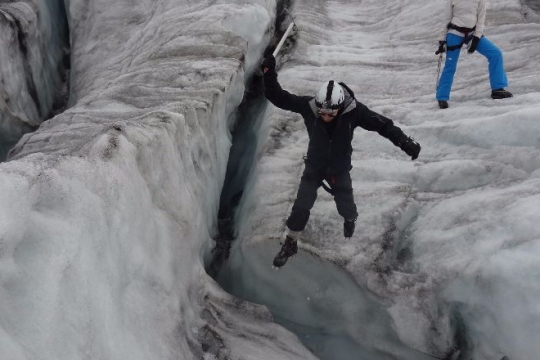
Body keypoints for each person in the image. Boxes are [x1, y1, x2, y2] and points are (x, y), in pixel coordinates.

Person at [261, 54, 421, 267]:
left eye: (330, 113)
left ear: (340, 107)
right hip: (315, 165)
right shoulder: (310, 107)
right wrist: (269, 73)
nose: (325, 116)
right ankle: (291, 242)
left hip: (338, 169)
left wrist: (404, 142)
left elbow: (383, 125)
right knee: (301, 205)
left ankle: (350, 218)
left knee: (346, 206)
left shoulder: (354, 112)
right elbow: (278, 97)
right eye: (322, 112)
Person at [435, 0, 513, 109]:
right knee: (450, 66)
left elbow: (481, 20)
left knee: (495, 54)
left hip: (473, 34)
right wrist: (442, 39)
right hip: (454, 33)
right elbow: (446, 19)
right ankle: (442, 97)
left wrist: (476, 38)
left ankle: (498, 89)